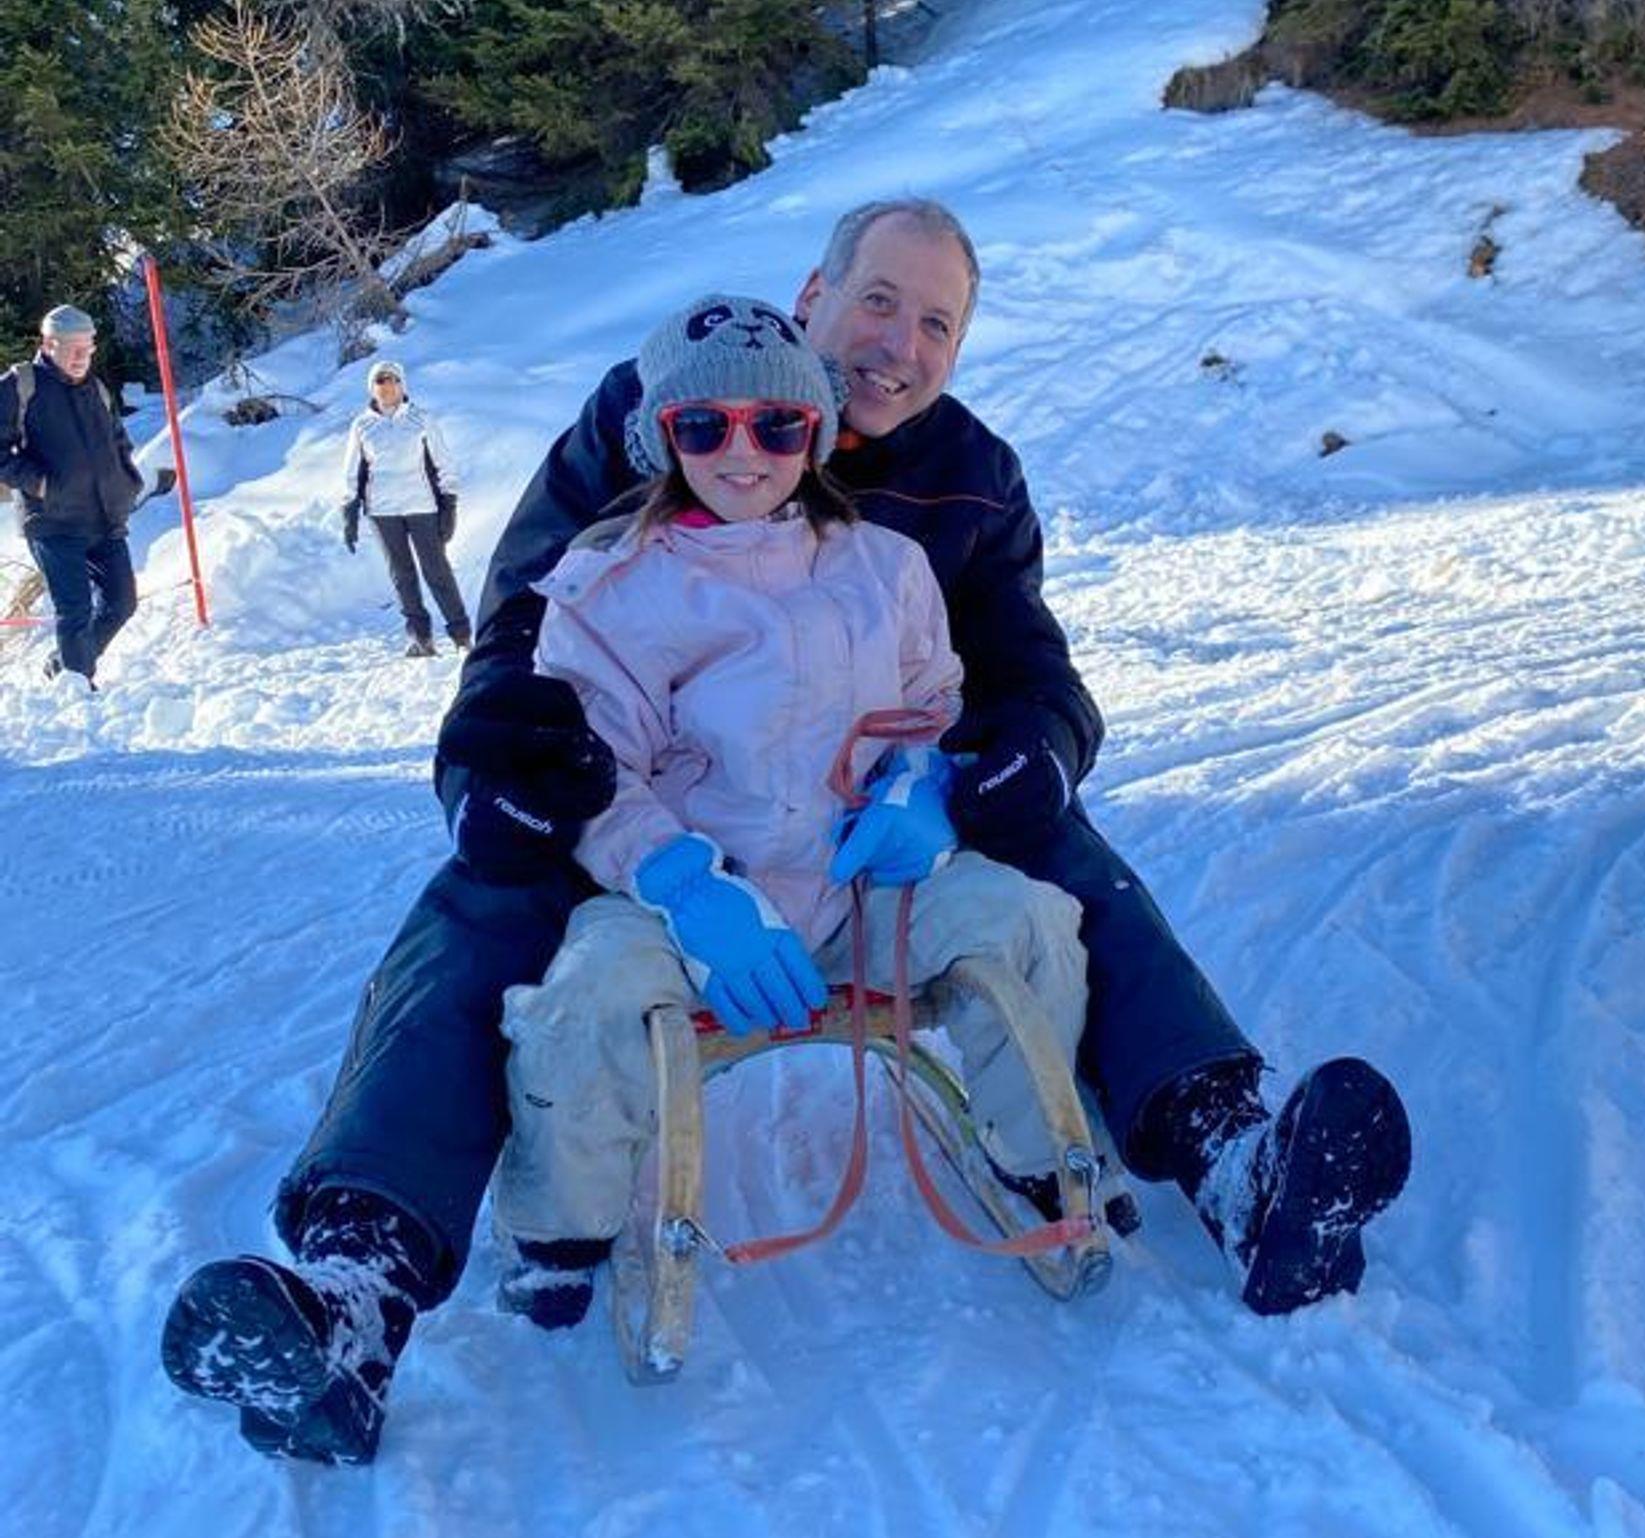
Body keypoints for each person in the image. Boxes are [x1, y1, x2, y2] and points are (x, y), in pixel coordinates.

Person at [160, 199, 1412, 1467]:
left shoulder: (967, 474)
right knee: (486, 895)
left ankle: (1229, 1154)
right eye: (878, 301)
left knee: (1056, 858)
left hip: (872, 828)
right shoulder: (665, 399)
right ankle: (358, 1288)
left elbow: (1032, 678)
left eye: (936, 324)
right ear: (814, 296)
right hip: (667, 812)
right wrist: (492, 769)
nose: (898, 346)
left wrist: (1000, 767)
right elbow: (529, 629)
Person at [489, 295, 1087, 1330]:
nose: (742, 452)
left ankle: (1037, 1156)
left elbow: (933, 700)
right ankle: (561, 1229)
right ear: (661, 437)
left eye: (775, 424)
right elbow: (593, 771)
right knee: (585, 997)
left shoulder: (883, 567)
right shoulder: (611, 591)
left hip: (861, 891)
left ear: (813, 433)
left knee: (1029, 925)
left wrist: (923, 786)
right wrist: (685, 887)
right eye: (703, 425)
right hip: (691, 906)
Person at [0, 305, 160, 691]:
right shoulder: (21, 385)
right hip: (52, 521)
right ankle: (79, 689)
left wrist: (127, 481)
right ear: (48, 345)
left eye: (87, 348)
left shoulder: (96, 388)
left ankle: (65, 666)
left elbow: (118, 440)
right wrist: (40, 484)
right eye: (71, 348)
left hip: (103, 518)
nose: (80, 357)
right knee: (74, 610)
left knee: (122, 603)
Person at [341, 359, 470, 657]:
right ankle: (420, 638)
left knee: (437, 571)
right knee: (402, 575)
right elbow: (351, 470)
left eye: (393, 380)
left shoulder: (420, 419)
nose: (387, 387)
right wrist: (349, 510)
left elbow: (444, 463)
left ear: (402, 385)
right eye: (381, 381)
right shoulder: (362, 425)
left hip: (421, 506)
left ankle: (461, 635)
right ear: (372, 388)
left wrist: (449, 504)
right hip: (382, 511)